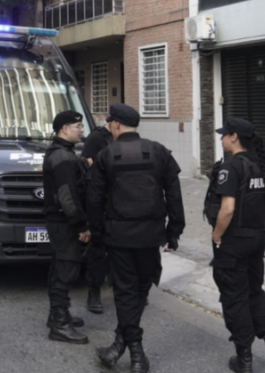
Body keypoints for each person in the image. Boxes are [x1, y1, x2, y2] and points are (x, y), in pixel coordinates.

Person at [87, 103, 184, 373]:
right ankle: (120, 345)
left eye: (109, 123)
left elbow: (93, 200)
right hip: (151, 236)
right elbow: (174, 196)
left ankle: (135, 352)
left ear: (116, 124)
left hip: (119, 237)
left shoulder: (106, 154)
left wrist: (97, 235)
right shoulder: (159, 151)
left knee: (126, 292)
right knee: (140, 289)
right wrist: (174, 232)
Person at [207, 118, 265, 373]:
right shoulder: (257, 165)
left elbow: (228, 209)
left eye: (223, 135)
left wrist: (217, 236)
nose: (221, 139)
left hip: (234, 242)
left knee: (235, 299)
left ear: (234, 137)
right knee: (255, 293)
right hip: (256, 238)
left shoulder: (230, 167)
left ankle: (244, 359)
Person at [42, 110, 92, 344]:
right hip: (65, 223)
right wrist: (81, 226)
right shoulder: (62, 157)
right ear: (65, 129)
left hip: (60, 221)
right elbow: (67, 197)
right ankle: (60, 325)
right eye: (78, 126)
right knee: (66, 270)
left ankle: (57, 315)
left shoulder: (64, 153)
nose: (82, 129)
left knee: (59, 267)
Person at [80, 119, 113, 315]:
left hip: (118, 201)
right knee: (98, 249)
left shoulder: (122, 139)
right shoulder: (96, 137)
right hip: (99, 198)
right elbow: (88, 161)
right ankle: (94, 293)